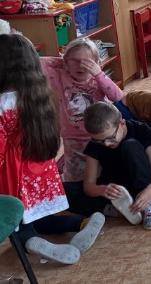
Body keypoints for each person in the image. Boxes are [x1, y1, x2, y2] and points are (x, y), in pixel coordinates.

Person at [0, 34, 104, 264]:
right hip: (43, 168)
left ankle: (33, 244)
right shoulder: (42, 93)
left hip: (14, 173)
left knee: (17, 227)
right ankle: (83, 223)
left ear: (1, 63)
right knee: (41, 216)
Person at [67, 102, 151, 230]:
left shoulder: (140, 130)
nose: (106, 144)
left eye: (110, 138)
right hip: (115, 189)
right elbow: (88, 185)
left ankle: (147, 206)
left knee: (130, 145)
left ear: (122, 124)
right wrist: (101, 190)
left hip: (141, 181)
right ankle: (116, 210)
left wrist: (149, 191)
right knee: (61, 192)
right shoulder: (95, 145)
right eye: (99, 141)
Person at [41, 36, 124, 182]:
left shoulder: (98, 80)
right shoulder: (59, 76)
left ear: (96, 63)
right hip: (73, 137)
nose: (81, 65)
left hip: (100, 135)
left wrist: (98, 73)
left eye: (87, 62)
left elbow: (118, 96)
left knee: (103, 172)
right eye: (75, 60)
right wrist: (64, 61)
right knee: (75, 176)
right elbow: (36, 62)